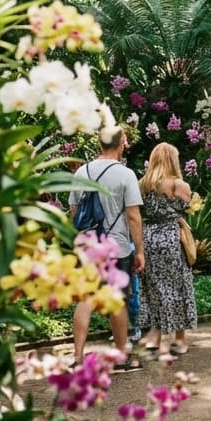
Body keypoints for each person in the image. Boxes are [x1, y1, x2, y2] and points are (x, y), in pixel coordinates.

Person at [70, 126, 145, 370]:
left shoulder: (82, 171)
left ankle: (78, 356)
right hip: (117, 247)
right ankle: (121, 357)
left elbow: (75, 213)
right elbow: (134, 216)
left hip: (88, 245)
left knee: (85, 298)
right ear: (121, 144)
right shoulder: (125, 175)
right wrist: (140, 251)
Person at [137, 142, 198, 359]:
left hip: (149, 237)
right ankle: (179, 340)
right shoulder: (179, 185)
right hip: (171, 237)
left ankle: (155, 336)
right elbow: (187, 207)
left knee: (154, 286)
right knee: (178, 286)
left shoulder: (143, 184)